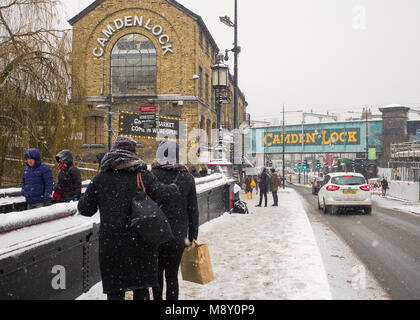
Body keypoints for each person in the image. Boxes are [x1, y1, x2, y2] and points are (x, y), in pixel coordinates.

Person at [77, 136, 181, 300]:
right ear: (133, 153)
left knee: (115, 292)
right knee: (141, 290)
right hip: (140, 243)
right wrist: (175, 187)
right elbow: (163, 195)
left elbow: (85, 209)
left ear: (113, 152)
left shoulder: (100, 179)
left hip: (111, 245)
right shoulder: (142, 176)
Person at [151, 140, 199, 301]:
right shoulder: (187, 178)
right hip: (177, 236)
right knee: (172, 277)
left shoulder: (151, 176)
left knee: (156, 275)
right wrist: (193, 235)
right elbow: (193, 211)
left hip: (154, 235)